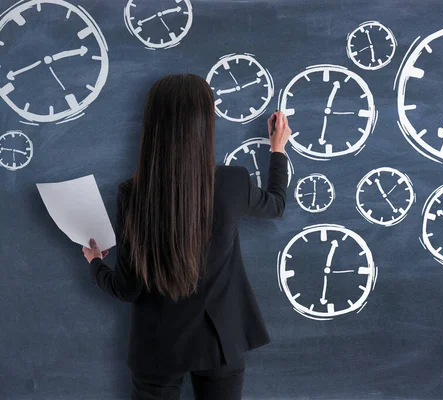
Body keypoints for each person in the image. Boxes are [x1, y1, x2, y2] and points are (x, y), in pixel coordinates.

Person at [81, 73, 292, 400]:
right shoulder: (233, 183)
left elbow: (126, 289)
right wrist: (277, 149)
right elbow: (276, 204)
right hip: (219, 340)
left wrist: (95, 264)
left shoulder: (133, 193)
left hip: (156, 346)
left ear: (151, 126)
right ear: (205, 123)